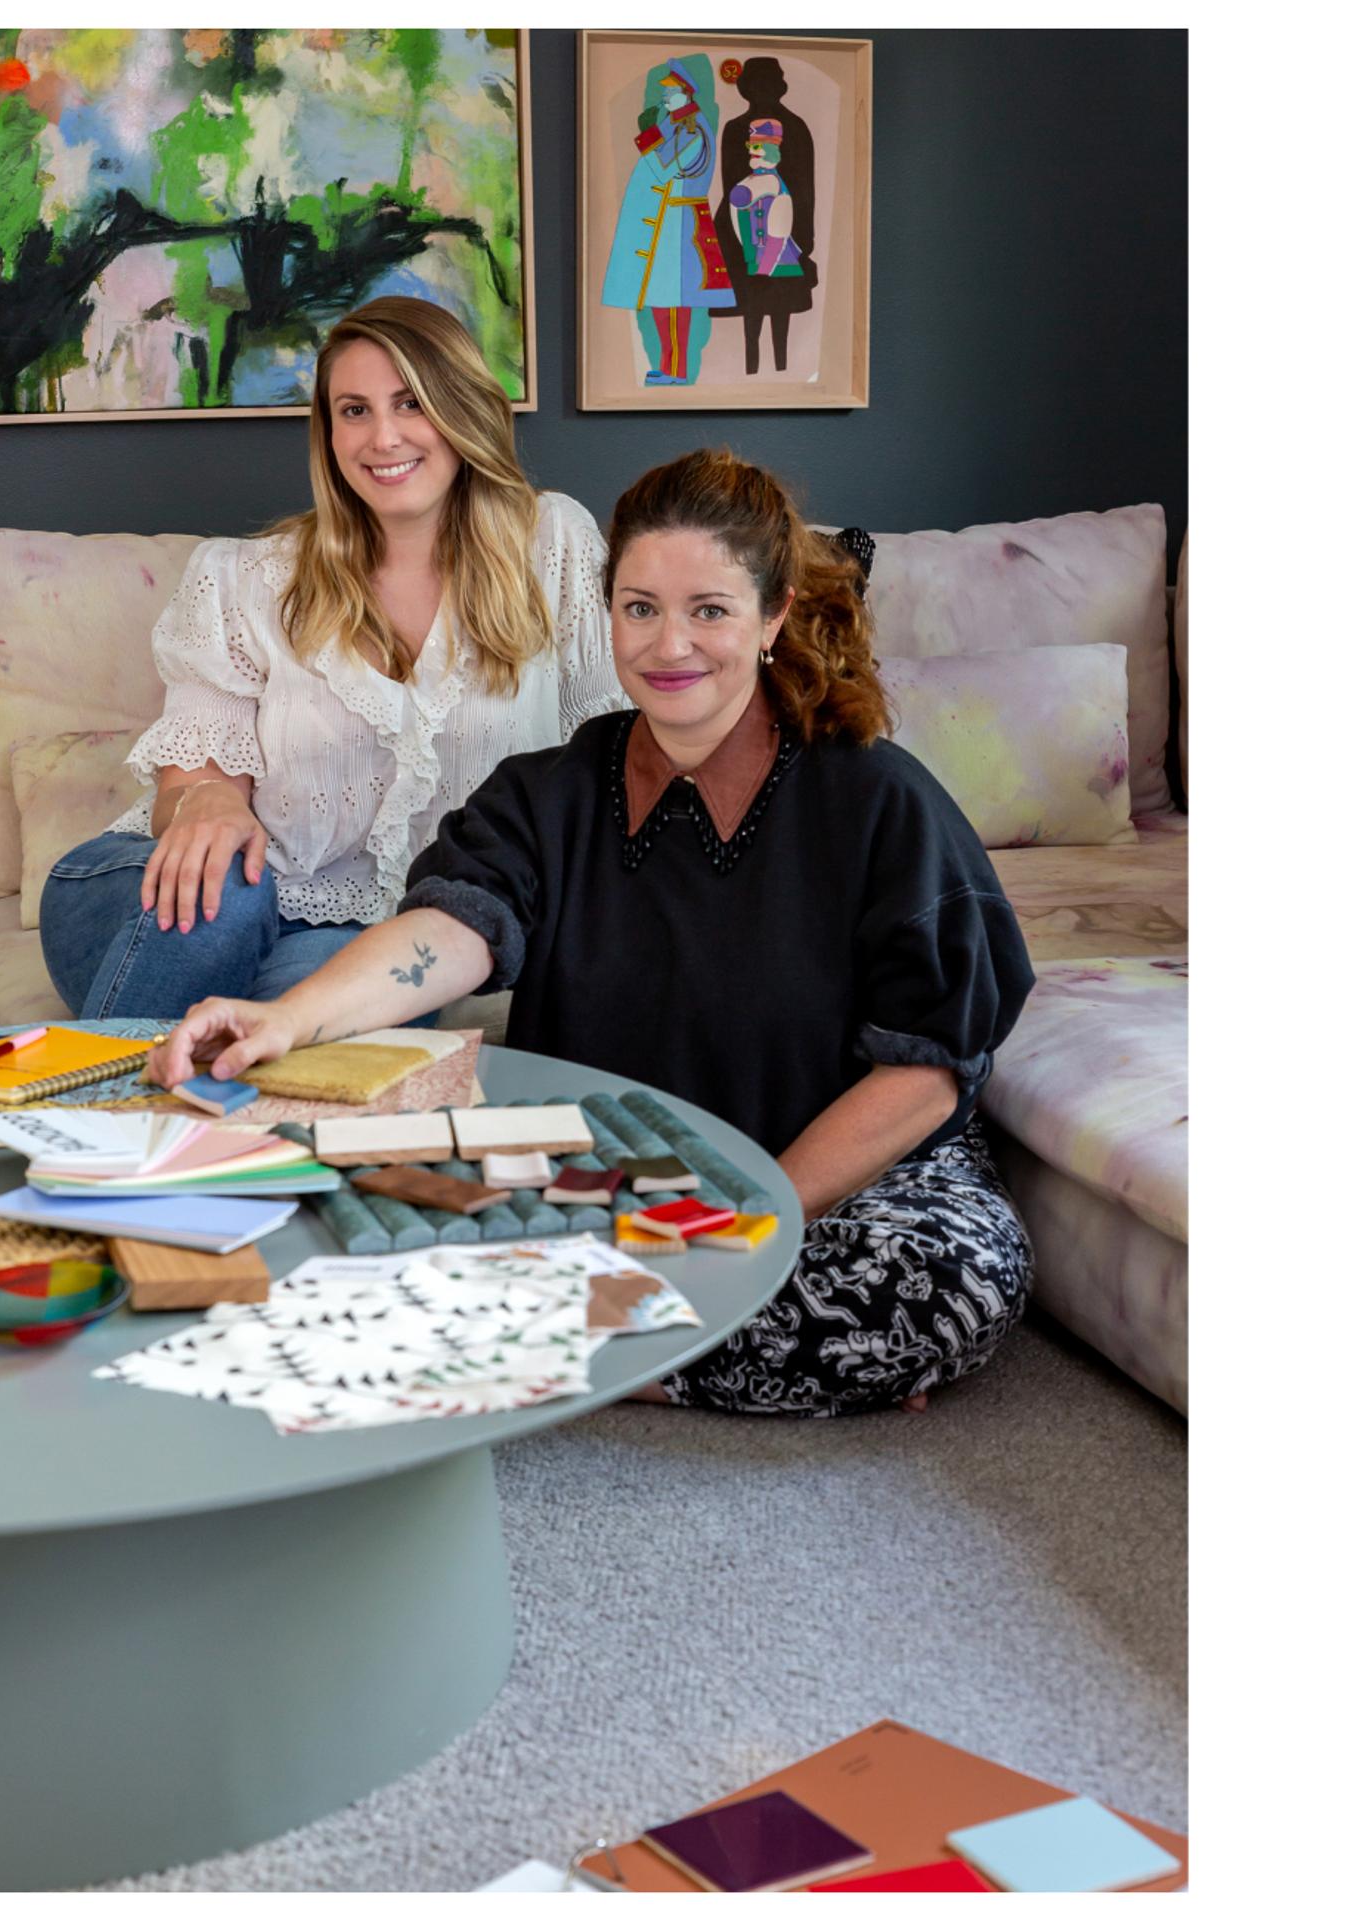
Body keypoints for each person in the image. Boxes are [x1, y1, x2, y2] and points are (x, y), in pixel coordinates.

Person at [149, 449, 1040, 1417]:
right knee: (342, 1203)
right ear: (605, 613)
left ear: (773, 615)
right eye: (640, 607)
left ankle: (572, 1352)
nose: (670, 645)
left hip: (835, 1174)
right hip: (613, 1166)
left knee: (945, 1281)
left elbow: (930, 1067)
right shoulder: (547, 792)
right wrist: (288, 1019)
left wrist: (753, 1220)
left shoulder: (879, 797)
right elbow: (446, 933)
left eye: (710, 609)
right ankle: (669, 1347)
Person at [35, 296, 623, 1019]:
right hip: (157, 890)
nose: (382, 437)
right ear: (328, 431)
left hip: (378, 927)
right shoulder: (246, 581)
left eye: (411, 403)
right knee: (231, 890)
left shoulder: (552, 548)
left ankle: (114, 1094)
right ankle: (103, 1120)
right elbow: (193, 780)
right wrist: (208, 799)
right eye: (353, 410)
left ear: (462, 407)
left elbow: (612, 756)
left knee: (364, 1006)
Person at [600, 57, 736, 386]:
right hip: (667, 221)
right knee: (661, 299)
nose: (665, 97)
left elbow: (661, 165)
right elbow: (650, 155)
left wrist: (650, 132)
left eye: (670, 92)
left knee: (676, 300)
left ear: (686, 94)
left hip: (680, 223)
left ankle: (676, 370)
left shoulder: (693, 127)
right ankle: (667, 366)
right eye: (665, 92)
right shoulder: (674, 122)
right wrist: (653, 130)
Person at [716, 57, 820, 376]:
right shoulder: (735, 130)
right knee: (752, 308)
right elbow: (731, 184)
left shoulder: (797, 128)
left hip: (787, 228)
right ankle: (752, 367)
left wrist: (804, 239)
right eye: (756, 84)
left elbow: (805, 188)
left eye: (768, 84)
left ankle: (781, 368)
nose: (762, 91)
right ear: (746, 89)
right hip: (743, 230)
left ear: (779, 87)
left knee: (781, 306)